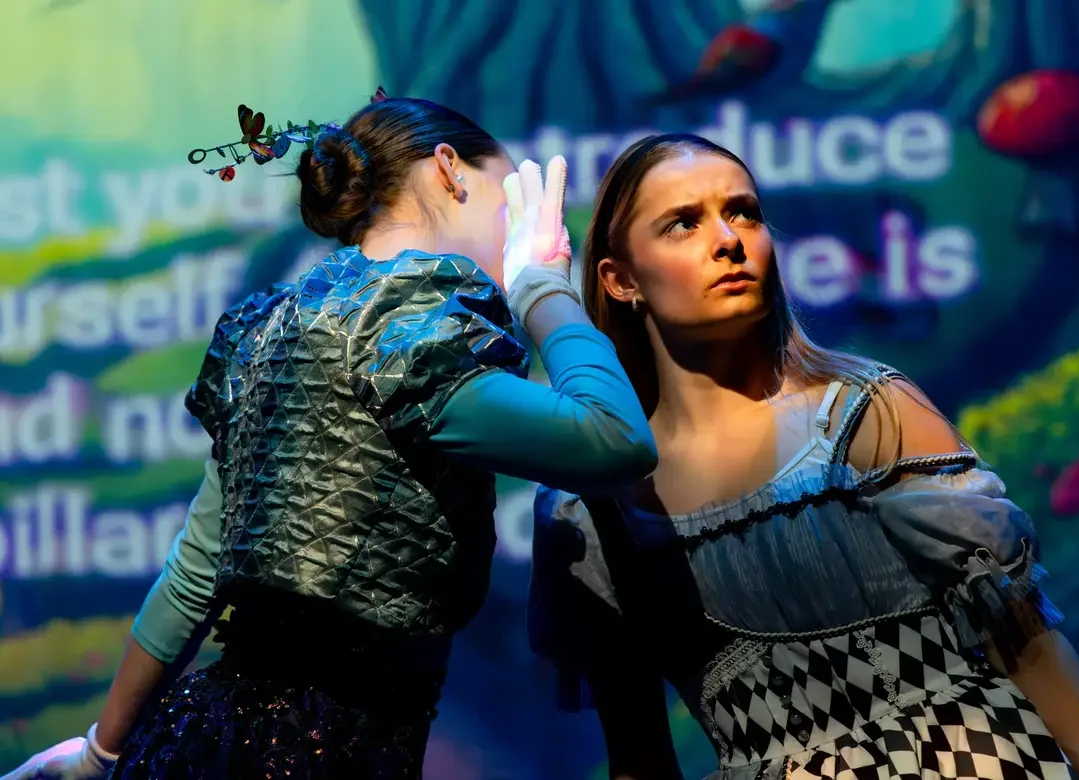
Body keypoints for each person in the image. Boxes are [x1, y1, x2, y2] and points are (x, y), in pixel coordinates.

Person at [3, 96, 657, 780]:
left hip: (211, 743)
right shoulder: (413, 327)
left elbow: (195, 573)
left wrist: (99, 753)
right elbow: (615, 439)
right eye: (509, 196)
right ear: (449, 170)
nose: (518, 224)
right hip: (317, 758)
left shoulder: (268, 328)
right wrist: (544, 286)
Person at [527, 133, 1079, 780]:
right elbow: (637, 753)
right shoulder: (592, 510)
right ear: (620, 279)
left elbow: (1027, 643)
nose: (728, 240)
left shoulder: (865, 412)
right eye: (683, 224)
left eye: (743, 212)